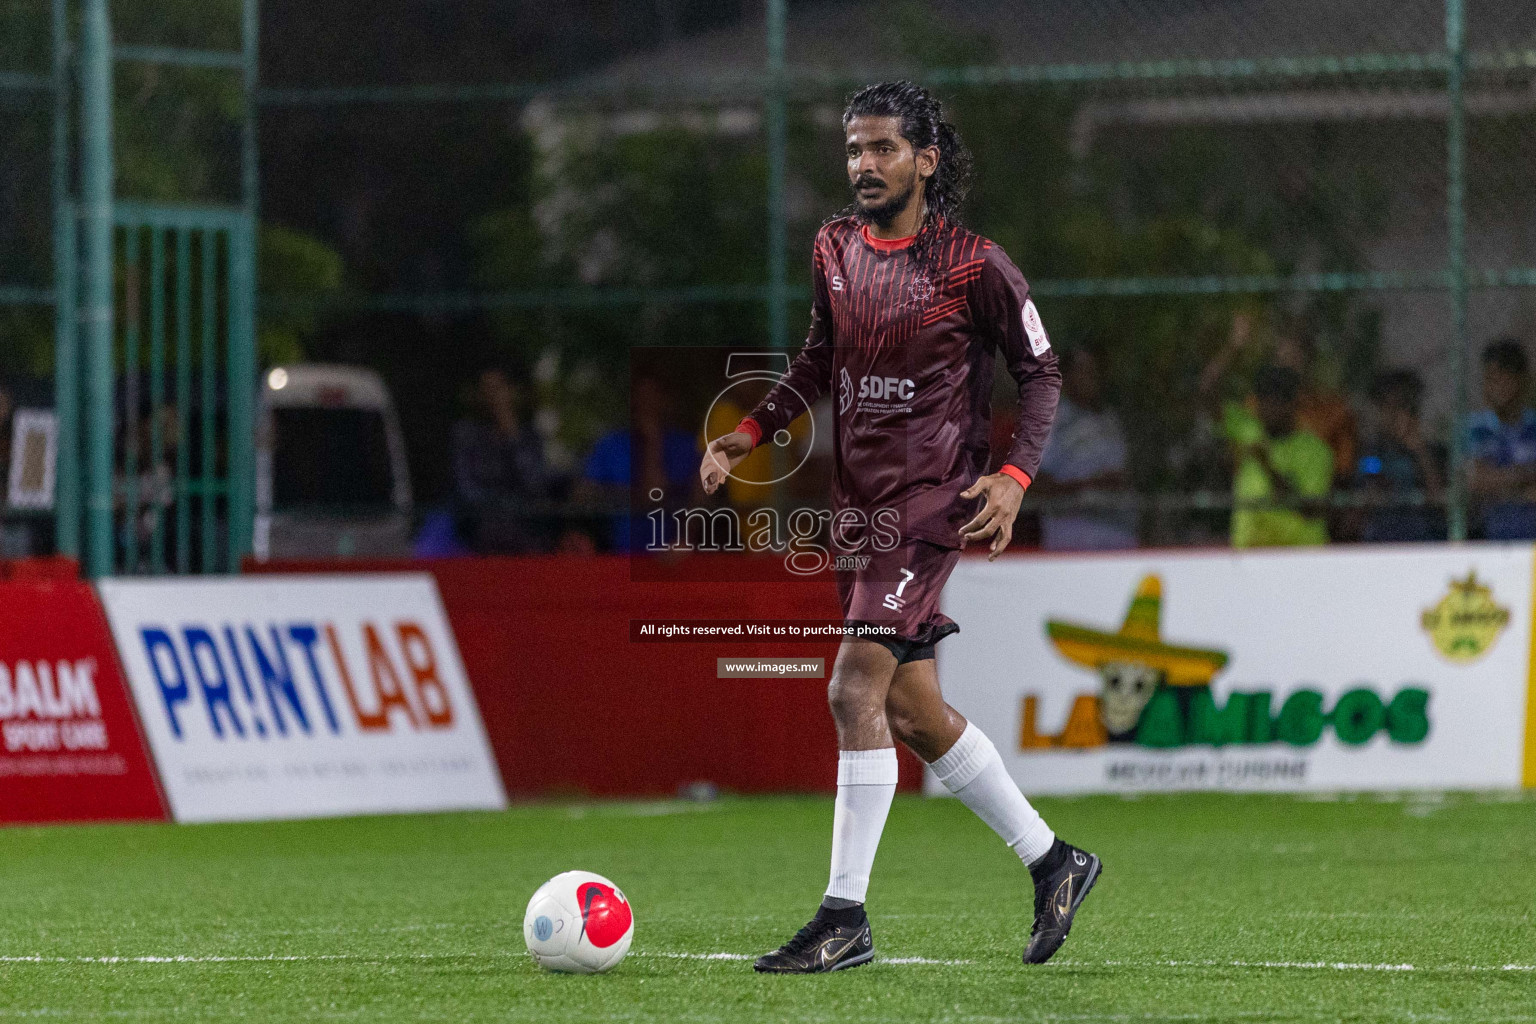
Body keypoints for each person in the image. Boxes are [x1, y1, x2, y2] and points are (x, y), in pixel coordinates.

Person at [700, 81, 1096, 973]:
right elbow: (817, 357)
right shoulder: (835, 246)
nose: (863, 166)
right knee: (913, 712)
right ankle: (1054, 861)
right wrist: (752, 431)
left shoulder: (974, 265)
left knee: (850, 691)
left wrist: (1014, 475)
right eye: (852, 150)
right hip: (857, 511)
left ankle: (845, 917)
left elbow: (1041, 372)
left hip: (927, 509)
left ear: (927, 158)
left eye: (881, 149)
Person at [1032, 347, 1137, 550]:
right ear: (1067, 376)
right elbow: (1035, 482)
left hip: (1118, 535)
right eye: (1084, 370)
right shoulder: (1050, 421)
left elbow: (1126, 476)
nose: (1091, 378)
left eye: (1095, 371)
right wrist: (1089, 487)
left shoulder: (1110, 421)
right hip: (1072, 538)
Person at [1223, 365, 1333, 548]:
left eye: (1276, 401)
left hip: (1298, 559)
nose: (1268, 408)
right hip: (1248, 557)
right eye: (1263, 401)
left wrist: (1267, 466)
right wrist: (1232, 348)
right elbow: (1204, 394)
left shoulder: (1315, 450)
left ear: (1292, 404)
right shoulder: (1248, 431)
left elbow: (1311, 510)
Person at [451, 367, 551, 552]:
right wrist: (499, 505)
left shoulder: (530, 437)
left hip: (524, 524)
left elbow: (535, 484)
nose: (493, 396)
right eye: (487, 389)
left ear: (510, 392)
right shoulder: (466, 434)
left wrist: (513, 437)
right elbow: (465, 487)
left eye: (498, 389)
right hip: (482, 523)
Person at [1357, 369, 1444, 542]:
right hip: (1380, 541)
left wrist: (1419, 451)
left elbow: (1441, 501)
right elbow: (1364, 493)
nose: (1392, 415)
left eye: (1399, 406)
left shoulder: (1435, 452)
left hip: (1424, 541)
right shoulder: (1371, 452)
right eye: (1385, 407)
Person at [1467, 338, 1536, 540]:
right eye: (1489, 379)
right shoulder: (1476, 428)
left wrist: (1500, 481)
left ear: (1520, 380)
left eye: (1500, 379)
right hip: (1491, 533)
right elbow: (1475, 480)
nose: (1493, 387)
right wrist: (1524, 480)